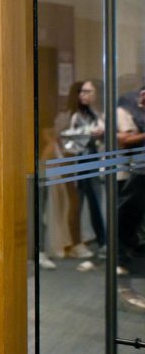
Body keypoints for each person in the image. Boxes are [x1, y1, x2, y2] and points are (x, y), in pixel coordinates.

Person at [63, 80, 107, 268]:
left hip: (93, 162)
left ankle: (100, 242)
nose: (86, 95)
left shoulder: (94, 114)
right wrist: (90, 134)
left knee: (94, 203)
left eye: (90, 92)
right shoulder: (75, 116)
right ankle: (81, 243)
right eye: (83, 92)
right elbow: (69, 142)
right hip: (80, 163)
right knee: (79, 204)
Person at [115, 84, 145, 310]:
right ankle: (122, 260)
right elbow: (124, 139)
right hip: (137, 171)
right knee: (127, 216)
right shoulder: (128, 111)